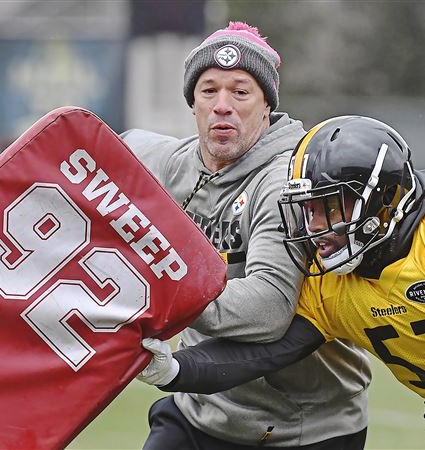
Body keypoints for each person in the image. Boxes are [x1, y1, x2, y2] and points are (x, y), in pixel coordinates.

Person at [137, 116, 425, 450]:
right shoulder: (330, 281)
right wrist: (177, 369)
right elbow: (266, 350)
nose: (314, 225)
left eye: (327, 206)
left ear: (377, 200)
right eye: (307, 209)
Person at [124, 24, 371, 450]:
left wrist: (151, 293)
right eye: (208, 91)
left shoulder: (287, 181)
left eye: (240, 92)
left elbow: (267, 306)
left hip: (303, 424)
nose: (223, 106)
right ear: (192, 104)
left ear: (266, 107)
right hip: (198, 408)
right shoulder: (172, 163)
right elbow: (103, 150)